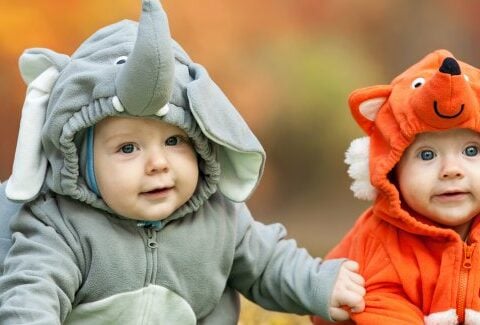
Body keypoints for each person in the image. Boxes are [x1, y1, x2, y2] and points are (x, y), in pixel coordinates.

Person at [0, 0, 365, 323]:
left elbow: (270, 263)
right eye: (128, 148)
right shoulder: (60, 226)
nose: (157, 163)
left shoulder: (219, 217)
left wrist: (321, 285)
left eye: (174, 140)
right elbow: (32, 294)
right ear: (82, 162)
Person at [312, 49, 480, 325]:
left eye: (471, 150)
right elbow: (383, 307)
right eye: (427, 155)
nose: (452, 170)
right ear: (392, 169)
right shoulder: (381, 240)